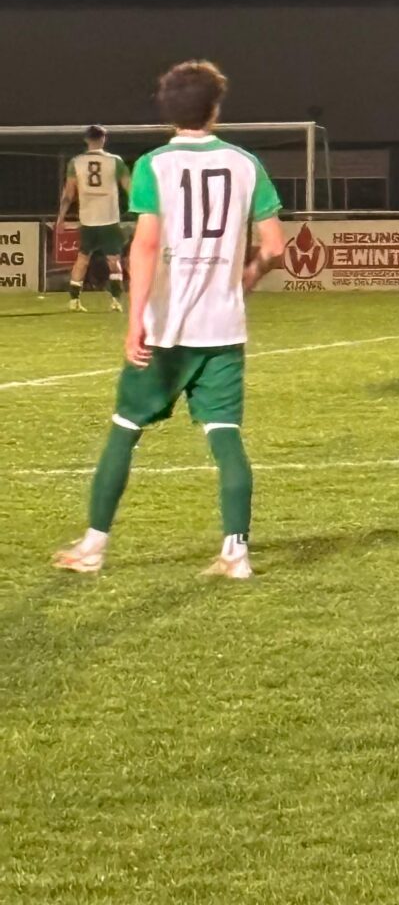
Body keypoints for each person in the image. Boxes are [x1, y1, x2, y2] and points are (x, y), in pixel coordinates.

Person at [53, 61, 285, 581]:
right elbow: (274, 247)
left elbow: (146, 245)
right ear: (215, 108)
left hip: (164, 328)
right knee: (225, 437)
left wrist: (134, 319)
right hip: (222, 329)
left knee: (125, 429)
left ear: (167, 111)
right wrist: (245, 279)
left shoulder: (154, 165)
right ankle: (236, 554)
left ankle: (93, 547)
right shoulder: (246, 163)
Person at [58, 125, 132, 313]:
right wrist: (141, 210)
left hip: (88, 219)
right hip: (109, 218)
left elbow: (68, 194)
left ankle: (74, 301)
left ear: (86, 140)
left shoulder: (76, 162)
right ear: (103, 139)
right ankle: (115, 301)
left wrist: (61, 218)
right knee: (113, 260)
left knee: (82, 259)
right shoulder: (115, 161)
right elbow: (129, 188)